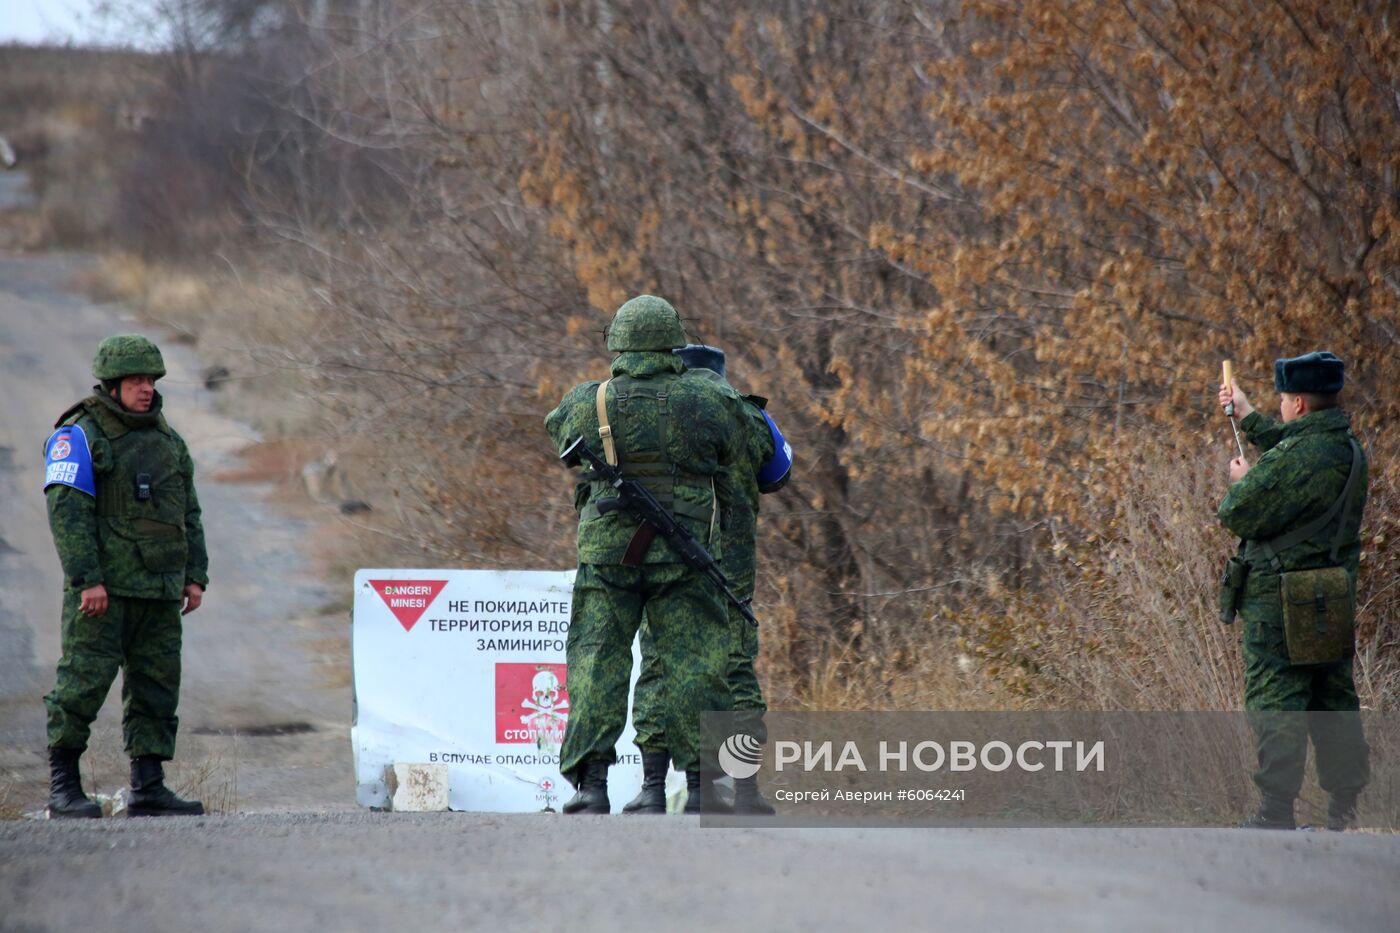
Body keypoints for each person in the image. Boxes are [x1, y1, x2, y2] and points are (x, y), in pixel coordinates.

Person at [544, 296, 750, 814]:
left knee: (595, 662)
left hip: (607, 560)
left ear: (617, 344)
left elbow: (556, 429)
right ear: (673, 341)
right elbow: (739, 447)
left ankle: (591, 787)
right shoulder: (707, 399)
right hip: (686, 555)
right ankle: (704, 787)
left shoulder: (587, 402)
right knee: (697, 664)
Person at [42, 334, 209, 818]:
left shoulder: (167, 441)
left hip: (158, 590)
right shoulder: (78, 436)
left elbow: (188, 513)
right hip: (104, 593)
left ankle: (148, 786)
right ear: (112, 385)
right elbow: (67, 512)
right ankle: (63, 787)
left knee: (157, 686)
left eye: (151, 380)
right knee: (82, 684)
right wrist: (87, 579)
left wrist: (193, 575)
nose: (146, 389)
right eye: (136, 380)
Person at [625, 344, 791, 815]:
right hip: (732, 569)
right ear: (722, 372)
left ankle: (654, 789)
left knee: (659, 660)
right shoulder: (748, 415)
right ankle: (745, 792)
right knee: (735, 666)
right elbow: (779, 473)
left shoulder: (663, 410)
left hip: (671, 558)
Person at [1217, 351, 1369, 830]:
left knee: (1276, 699)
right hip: (1332, 596)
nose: (1280, 407)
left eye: (1283, 399)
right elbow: (1290, 444)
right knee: (1332, 700)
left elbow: (1239, 513)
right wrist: (1246, 413)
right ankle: (1344, 807)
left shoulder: (1296, 458)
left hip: (1281, 600)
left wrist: (1243, 481)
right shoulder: (1345, 447)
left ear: (1299, 403)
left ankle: (1275, 810)